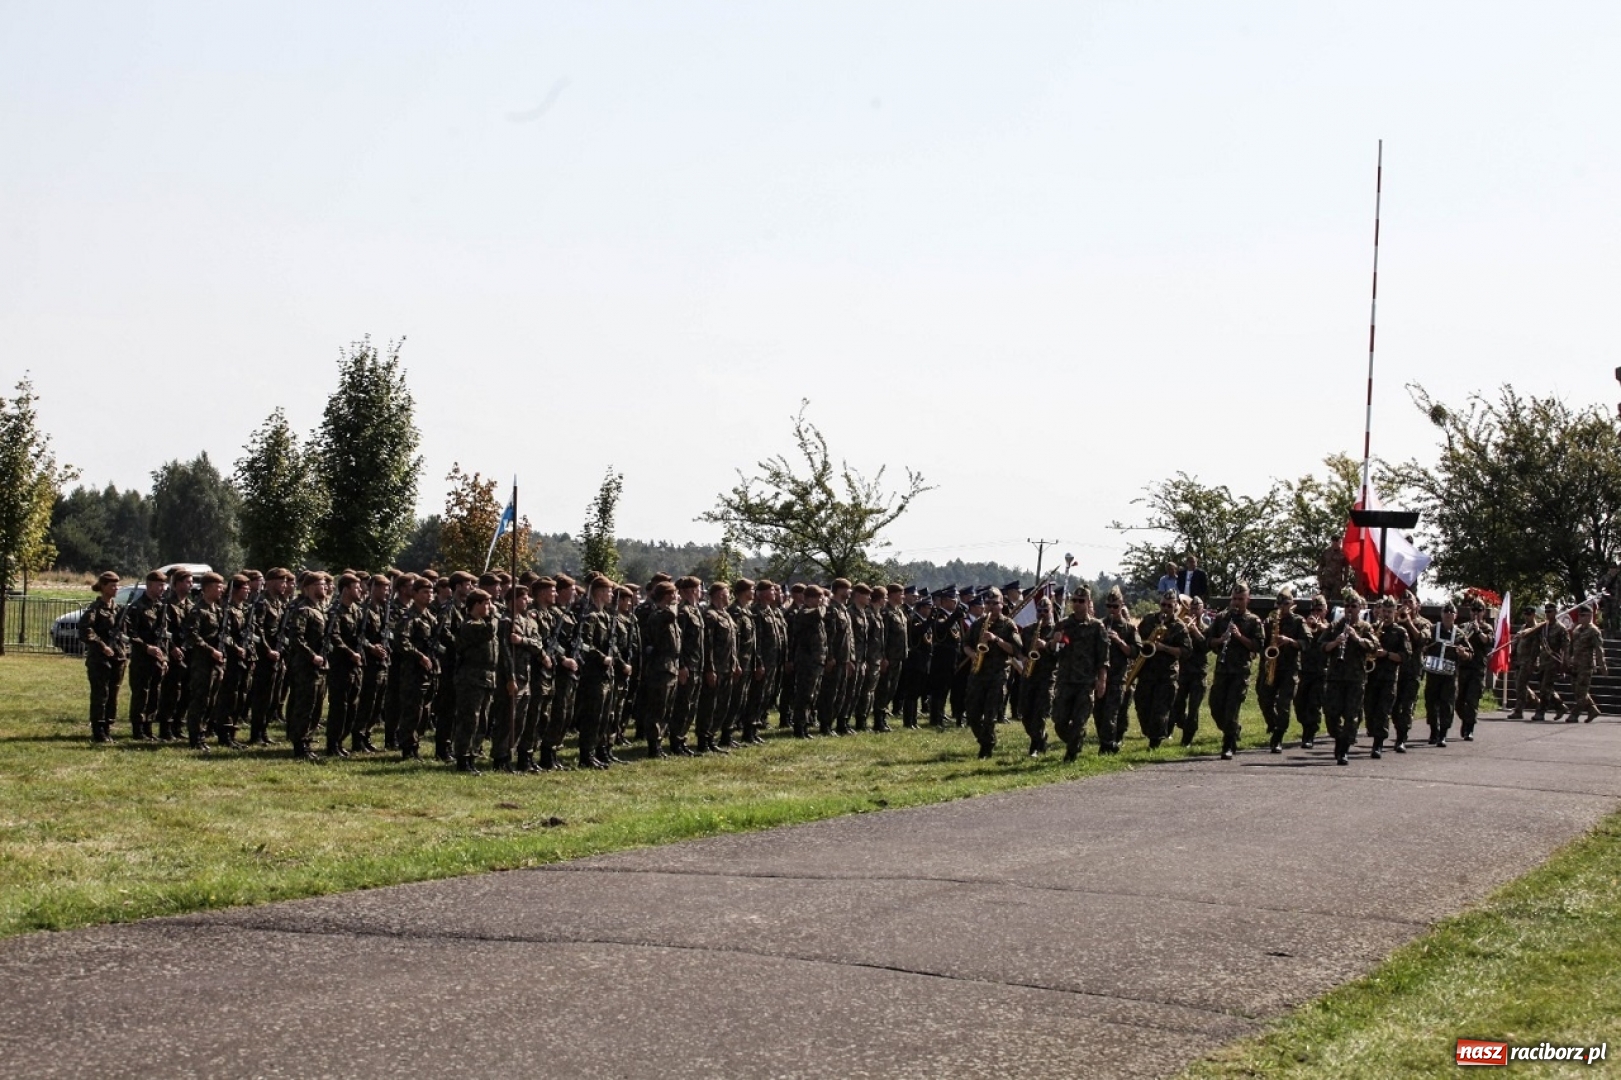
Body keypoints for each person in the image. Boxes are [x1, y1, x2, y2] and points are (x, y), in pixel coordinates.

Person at [1050, 588, 1109, 760]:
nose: (1077, 604)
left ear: (1088, 602)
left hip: (1085, 681)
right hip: (1065, 680)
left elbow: (1103, 657)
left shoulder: (1097, 626)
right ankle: (1076, 740)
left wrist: (1102, 680)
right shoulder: (1062, 624)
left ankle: (1071, 754)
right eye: (1074, 600)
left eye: (1081, 601)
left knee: (1078, 721)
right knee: (1059, 721)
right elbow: (1050, 650)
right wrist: (1054, 641)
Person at [1205, 584, 1262, 760]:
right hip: (1222, 670)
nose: (1236, 603)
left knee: (1231, 708)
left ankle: (1228, 745)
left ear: (1247, 600)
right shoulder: (1222, 618)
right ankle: (1233, 729)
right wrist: (1221, 639)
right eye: (1234, 599)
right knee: (1215, 707)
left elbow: (1258, 646)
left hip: (1240, 671)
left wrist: (1239, 636)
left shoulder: (1253, 621)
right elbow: (1207, 641)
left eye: (1240, 599)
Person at [962, 588, 1020, 758]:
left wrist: (996, 639)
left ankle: (986, 748)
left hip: (998, 675)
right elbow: (965, 644)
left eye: (995, 603)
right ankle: (986, 740)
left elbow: (1016, 649)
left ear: (1002, 604)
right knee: (972, 714)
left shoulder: (1009, 625)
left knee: (990, 715)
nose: (991, 606)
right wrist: (972, 654)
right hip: (978, 673)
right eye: (988, 603)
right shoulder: (978, 623)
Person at [1325, 591, 1380, 765]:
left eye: (1353, 607)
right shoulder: (1334, 626)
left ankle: (1344, 749)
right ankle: (1339, 738)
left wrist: (1357, 638)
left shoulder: (1365, 627)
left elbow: (1374, 647)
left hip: (1355, 678)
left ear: (1359, 609)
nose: (1349, 609)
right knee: (1331, 714)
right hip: (1335, 677)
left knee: (1351, 715)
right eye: (1347, 606)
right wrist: (1334, 643)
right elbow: (1320, 646)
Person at [1131, 590, 1188, 749]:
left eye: (1169, 606)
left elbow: (1185, 651)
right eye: (1163, 604)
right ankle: (1153, 733)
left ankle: (1154, 742)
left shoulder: (1179, 626)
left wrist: (1163, 648)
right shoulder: (1149, 620)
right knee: (1142, 707)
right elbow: (1138, 639)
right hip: (1147, 672)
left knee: (1159, 710)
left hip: (1166, 675)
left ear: (1175, 606)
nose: (1165, 608)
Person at [451, 587, 499, 774]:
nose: (490, 606)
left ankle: (472, 755)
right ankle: (462, 758)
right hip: (471, 678)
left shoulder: (481, 623)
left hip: (485, 678)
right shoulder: (470, 625)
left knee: (482, 721)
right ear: (476, 605)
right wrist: (493, 616)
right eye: (486, 603)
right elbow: (489, 632)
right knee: (470, 719)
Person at [181, 572, 229, 753]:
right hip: (203, 662)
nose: (221, 590)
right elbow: (192, 636)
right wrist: (211, 651)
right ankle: (196, 736)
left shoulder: (217, 609)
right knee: (200, 700)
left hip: (217, 661)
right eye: (218, 587)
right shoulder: (198, 610)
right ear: (207, 589)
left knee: (211, 700)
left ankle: (205, 731)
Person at [80, 571, 128, 743]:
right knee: (101, 694)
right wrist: (102, 646)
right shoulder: (95, 609)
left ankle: (108, 726)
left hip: (117, 657)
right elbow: (86, 631)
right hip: (99, 659)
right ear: (103, 587)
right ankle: (98, 729)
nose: (116, 588)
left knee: (113, 694)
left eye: (117, 585)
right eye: (112, 585)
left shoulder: (118, 609)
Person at [1255, 587, 1304, 753]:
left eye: (1286, 603)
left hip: (1289, 668)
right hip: (1273, 666)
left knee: (1283, 704)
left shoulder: (1298, 621)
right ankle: (1274, 724)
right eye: (1280, 603)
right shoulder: (1271, 620)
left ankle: (1278, 737)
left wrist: (1289, 640)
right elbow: (1262, 643)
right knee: (1264, 699)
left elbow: (1307, 643)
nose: (1282, 607)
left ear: (1292, 604)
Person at [323, 574, 367, 759]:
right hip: (340, 665)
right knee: (339, 708)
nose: (360, 590)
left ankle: (341, 740)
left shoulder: (356, 610)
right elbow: (334, 637)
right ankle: (332, 743)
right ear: (346, 589)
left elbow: (360, 635)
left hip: (355, 666)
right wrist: (351, 653)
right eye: (356, 587)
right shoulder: (335, 611)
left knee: (352, 707)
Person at [124, 570, 169, 743]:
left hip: (157, 657)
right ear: (149, 585)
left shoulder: (160, 606)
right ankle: (138, 728)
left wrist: (164, 658)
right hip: (142, 658)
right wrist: (146, 647)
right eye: (159, 585)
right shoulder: (137, 607)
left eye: (163, 585)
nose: (162, 589)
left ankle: (149, 728)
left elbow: (163, 635)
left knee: (154, 694)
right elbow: (131, 634)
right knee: (141, 693)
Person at [639, 581, 682, 757]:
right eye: (674, 594)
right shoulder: (659, 615)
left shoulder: (666, 614)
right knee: (658, 708)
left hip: (671, 667)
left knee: (666, 708)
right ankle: (653, 745)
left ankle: (659, 742)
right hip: (660, 668)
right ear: (666, 595)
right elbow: (669, 618)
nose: (676, 597)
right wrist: (674, 605)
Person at [1363, 596, 1409, 753]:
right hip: (1371, 676)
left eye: (1390, 612)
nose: (1386, 615)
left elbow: (1404, 656)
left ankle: (1378, 744)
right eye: (1384, 611)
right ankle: (1375, 735)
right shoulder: (1371, 629)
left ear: (1395, 612)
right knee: (1369, 709)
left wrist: (1386, 654)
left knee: (1383, 711)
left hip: (1389, 678)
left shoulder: (1400, 632)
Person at [1421, 601, 1470, 747]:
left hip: (1449, 675)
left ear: (1455, 615)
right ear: (1441, 614)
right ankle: (1433, 731)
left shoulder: (1460, 634)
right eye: (1446, 611)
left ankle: (1443, 734)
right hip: (1433, 673)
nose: (1448, 614)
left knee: (1447, 704)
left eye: (1451, 612)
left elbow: (1470, 654)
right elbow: (1422, 644)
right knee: (1431, 703)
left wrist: (1463, 653)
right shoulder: (1432, 629)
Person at [1098, 587, 1140, 753]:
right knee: (1099, 714)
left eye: (1115, 606)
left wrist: (1119, 641)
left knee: (1111, 713)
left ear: (1121, 605)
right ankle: (1109, 742)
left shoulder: (1129, 629)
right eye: (1109, 606)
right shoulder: (1100, 624)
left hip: (1118, 677)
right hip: (1101, 677)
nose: (1111, 610)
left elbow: (1135, 652)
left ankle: (1107, 745)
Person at [1017, 594, 1059, 755]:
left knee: (1040, 713)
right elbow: (1019, 651)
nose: (1042, 613)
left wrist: (1047, 645)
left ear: (1051, 611)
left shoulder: (1057, 631)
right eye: (1039, 610)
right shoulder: (1028, 630)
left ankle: (1034, 746)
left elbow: (1061, 654)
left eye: (1045, 610)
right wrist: (1024, 659)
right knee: (1026, 714)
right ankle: (1040, 737)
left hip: (1047, 677)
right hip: (1029, 677)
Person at [788, 584, 828, 739]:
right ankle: (799, 726)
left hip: (816, 660)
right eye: (818, 597)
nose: (821, 600)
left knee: (812, 694)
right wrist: (824, 603)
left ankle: (806, 724)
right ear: (809, 598)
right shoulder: (804, 613)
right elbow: (819, 613)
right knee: (804, 694)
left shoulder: (812, 613)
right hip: (806, 660)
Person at [1169, 596, 1209, 747]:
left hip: (1198, 673)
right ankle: (1185, 726)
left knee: (1193, 708)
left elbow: (1206, 647)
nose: (1193, 611)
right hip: (1184, 672)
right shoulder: (1182, 626)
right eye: (1191, 608)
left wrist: (1196, 631)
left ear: (1202, 610)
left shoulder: (1206, 628)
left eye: (1196, 608)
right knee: (1177, 705)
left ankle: (1187, 739)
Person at [1292, 595, 1329, 748]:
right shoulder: (1305, 626)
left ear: (1326, 611)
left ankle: (1310, 734)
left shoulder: (1329, 627)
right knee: (1299, 703)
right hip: (1305, 670)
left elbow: (1335, 632)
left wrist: (1321, 629)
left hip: (1321, 672)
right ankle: (1306, 726)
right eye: (1313, 610)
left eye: (1319, 610)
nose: (1316, 613)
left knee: (1314, 704)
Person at [1454, 598, 1494, 739]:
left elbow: (1487, 641)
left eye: (1479, 610)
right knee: (1458, 701)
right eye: (1473, 610)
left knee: (1472, 700)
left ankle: (1469, 728)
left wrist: (1477, 631)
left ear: (1483, 612)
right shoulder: (1463, 626)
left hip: (1477, 669)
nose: (1476, 613)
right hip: (1463, 667)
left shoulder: (1486, 628)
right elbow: (1456, 641)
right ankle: (1466, 720)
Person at [1394, 595, 1432, 743]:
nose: (1407, 605)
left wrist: (1409, 623)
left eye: (1410, 602)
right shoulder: (1396, 620)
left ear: (1417, 606)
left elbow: (1422, 639)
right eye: (1404, 602)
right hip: (1396, 669)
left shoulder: (1424, 623)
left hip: (1413, 669)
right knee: (1394, 706)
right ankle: (1399, 729)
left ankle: (1402, 738)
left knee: (1407, 705)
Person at [1567, 603, 1608, 723]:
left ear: (1590, 616)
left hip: (1586, 665)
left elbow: (1599, 650)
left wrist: (1602, 666)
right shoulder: (1577, 630)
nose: (1581, 618)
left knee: (1582, 691)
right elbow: (1571, 646)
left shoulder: (1594, 631)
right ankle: (1592, 710)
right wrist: (1568, 659)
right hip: (1576, 665)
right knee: (1576, 689)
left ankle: (1575, 714)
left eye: (1584, 615)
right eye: (1580, 615)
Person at [1531, 601, 1569, 722]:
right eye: (1546, 612)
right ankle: (1560, 706)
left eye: (1550, 611)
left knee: (1545, 688)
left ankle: (1540, 712)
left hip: (1553, 662)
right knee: (1545, 687)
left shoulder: (1561, 628)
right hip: (1543, 661)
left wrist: (1564, 663)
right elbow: (1537, 644)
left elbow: (1566, 647)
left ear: (1556, 612)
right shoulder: (1543, 627)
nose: (1548, 614)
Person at [1506, 606, 1542, 719]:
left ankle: (1519, 710)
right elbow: (1517, 642)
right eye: (1525, 614)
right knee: (1518, 684)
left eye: (1529, 614)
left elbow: (1536, 647)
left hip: (1528, 661)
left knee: (1521, 684)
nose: (1527, 617)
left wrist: (1532, 662)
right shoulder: (1523, 627)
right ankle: (1536, 701)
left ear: (1534, 615)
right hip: (1520, 660)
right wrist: (1513, 656)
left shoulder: (1535, 628)